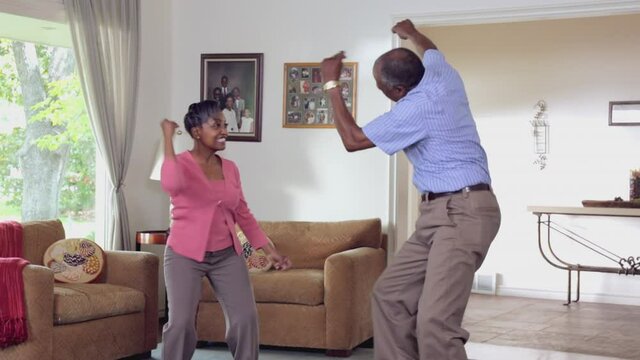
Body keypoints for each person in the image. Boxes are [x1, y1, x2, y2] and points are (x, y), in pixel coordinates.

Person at [320, 19, 501, 360]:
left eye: (379, 86)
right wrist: (412, 33)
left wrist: (331, 83)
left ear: (398, 91)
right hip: (438, 213)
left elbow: (353, 140)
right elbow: (431, 50)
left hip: (463, 213)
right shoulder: (442, 74)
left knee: (435, 322)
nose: (379, 89)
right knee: (390, 295)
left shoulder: (415, 108)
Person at [159, 100, 292, 360]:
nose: (224, 131)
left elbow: (243, 213)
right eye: (216, 125)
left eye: (225, 125)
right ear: (197, 132)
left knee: (245, 319)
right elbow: (170, 183)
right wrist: (167, 138)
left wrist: (269, 250)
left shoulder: (230, 168)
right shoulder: (181, 164)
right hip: (184, 255)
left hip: (227, 255)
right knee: (182, 324)